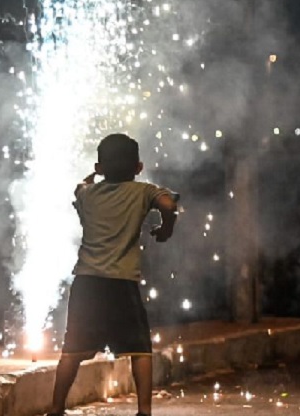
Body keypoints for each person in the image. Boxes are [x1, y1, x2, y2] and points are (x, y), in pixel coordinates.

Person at [46, 133, 178, 416]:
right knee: (140, 348)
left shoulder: (87, 195)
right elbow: (168, 204)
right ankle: (144, 411)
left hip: (87, 283)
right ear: (138, 167)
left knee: (72, 349)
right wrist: (166, 229)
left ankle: (56, 409)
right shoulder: (143, 192)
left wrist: (92, 176)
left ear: (100, 167)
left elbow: (79, 187)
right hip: (121, 283)